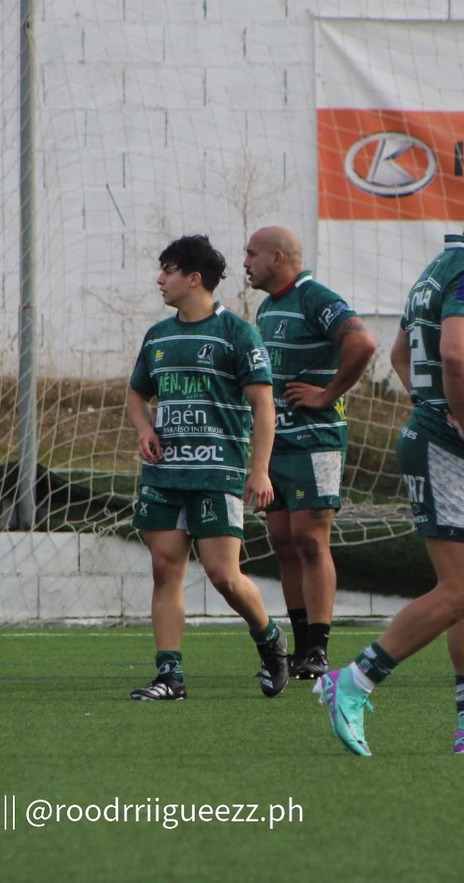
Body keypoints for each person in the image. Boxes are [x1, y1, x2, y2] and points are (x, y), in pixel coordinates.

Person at [316, 188, 464, 757]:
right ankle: (352, 681)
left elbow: (401, 354)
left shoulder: (436, 271)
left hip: (449, 439)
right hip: (453, 445)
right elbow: (455, 354)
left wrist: (436, 410)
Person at [125, 235, 288, 702]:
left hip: (218, 474)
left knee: (223, 576)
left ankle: (270, 640)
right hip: (164, 474)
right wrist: (144, 429)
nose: (160, 279)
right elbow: (137, 393)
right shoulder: (158, 336)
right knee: (164, 568)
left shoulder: (237, 334)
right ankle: (169, 676)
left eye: (168, 270)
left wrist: (259, 471)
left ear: (194, 279)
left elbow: (263, 407)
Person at [244, 226, 376, 680]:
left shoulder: (314, 296)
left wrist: (326, 394)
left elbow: (363, 342)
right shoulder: (268, 307)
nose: (245, 261)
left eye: (251, 253)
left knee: (310, 540)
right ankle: (300, 649)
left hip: (316, 440)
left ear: (277, 257)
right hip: (277, 443)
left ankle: (318, 649)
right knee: (282, 541)